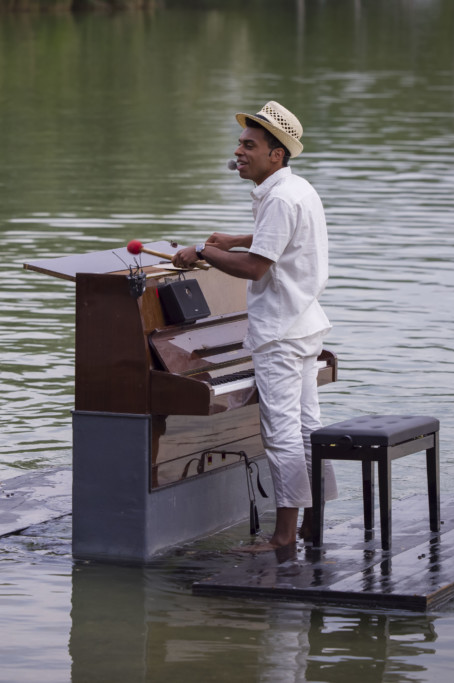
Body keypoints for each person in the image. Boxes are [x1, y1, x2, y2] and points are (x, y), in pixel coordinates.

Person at [172, 100, 337, 551]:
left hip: (281, 332)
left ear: (276, 154)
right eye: (240, 143)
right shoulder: (296, 190)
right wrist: (235, 237)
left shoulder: (280, 198)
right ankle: (310, 523)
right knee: (307, 429)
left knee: (282, 435)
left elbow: (256, 268)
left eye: (249, 145)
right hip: (305, 324)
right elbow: (280, 237)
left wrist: (202, 252)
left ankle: (283, 536)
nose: (239, 151)